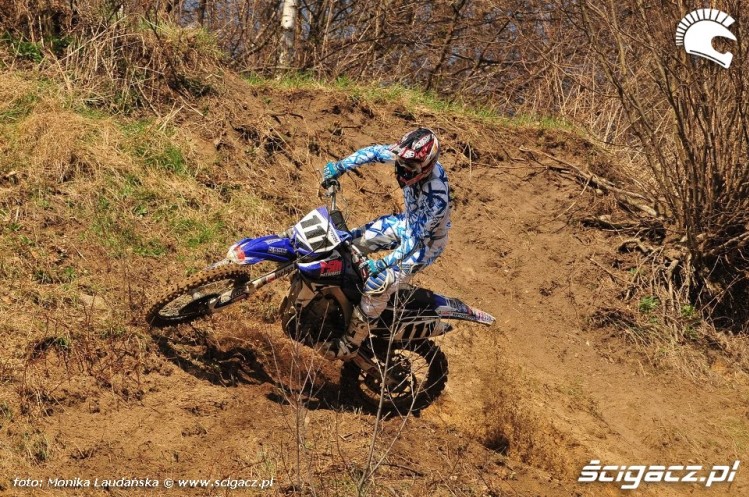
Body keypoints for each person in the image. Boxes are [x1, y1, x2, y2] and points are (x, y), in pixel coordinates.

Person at [316, 128, 451, 360]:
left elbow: (415, 242)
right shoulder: (406, 156)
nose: (403, 168)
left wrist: (383, 264)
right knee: (347, 244)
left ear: (427, 166)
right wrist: (340, 166)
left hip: (425, 245)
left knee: (379, 283)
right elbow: (375, 152)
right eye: (401, 162)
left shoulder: (436, 196)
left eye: (410, 166)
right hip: (406, 223)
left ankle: (351, 343)